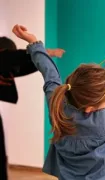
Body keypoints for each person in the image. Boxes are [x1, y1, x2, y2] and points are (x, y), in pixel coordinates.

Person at [13, 24, 105, 180]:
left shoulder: (56, 104)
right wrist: (34, 43)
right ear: (90, 108)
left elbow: (49, 73)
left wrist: (34, 43)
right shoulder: (103, 119)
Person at [0, 36, 65, 180]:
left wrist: (41, 57)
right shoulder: (5, 57)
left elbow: (25, 66)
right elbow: (15, 57)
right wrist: (48, 52)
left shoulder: (6, 65)